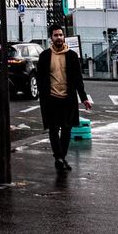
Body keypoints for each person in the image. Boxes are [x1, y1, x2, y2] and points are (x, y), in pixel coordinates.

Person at [36, 24, 91, 172]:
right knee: (53, 130)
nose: (59, 38)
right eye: (56, 35)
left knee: (66, 129)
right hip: (51, 99)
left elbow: (78, 79)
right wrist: (42, 93)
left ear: (64, 37)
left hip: (68, 99)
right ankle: (58, 157)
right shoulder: (45, 56)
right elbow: (40, 77)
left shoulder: (72, 56)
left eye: (61, 35)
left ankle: (62, 157)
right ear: (51, 38)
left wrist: (84, 98)